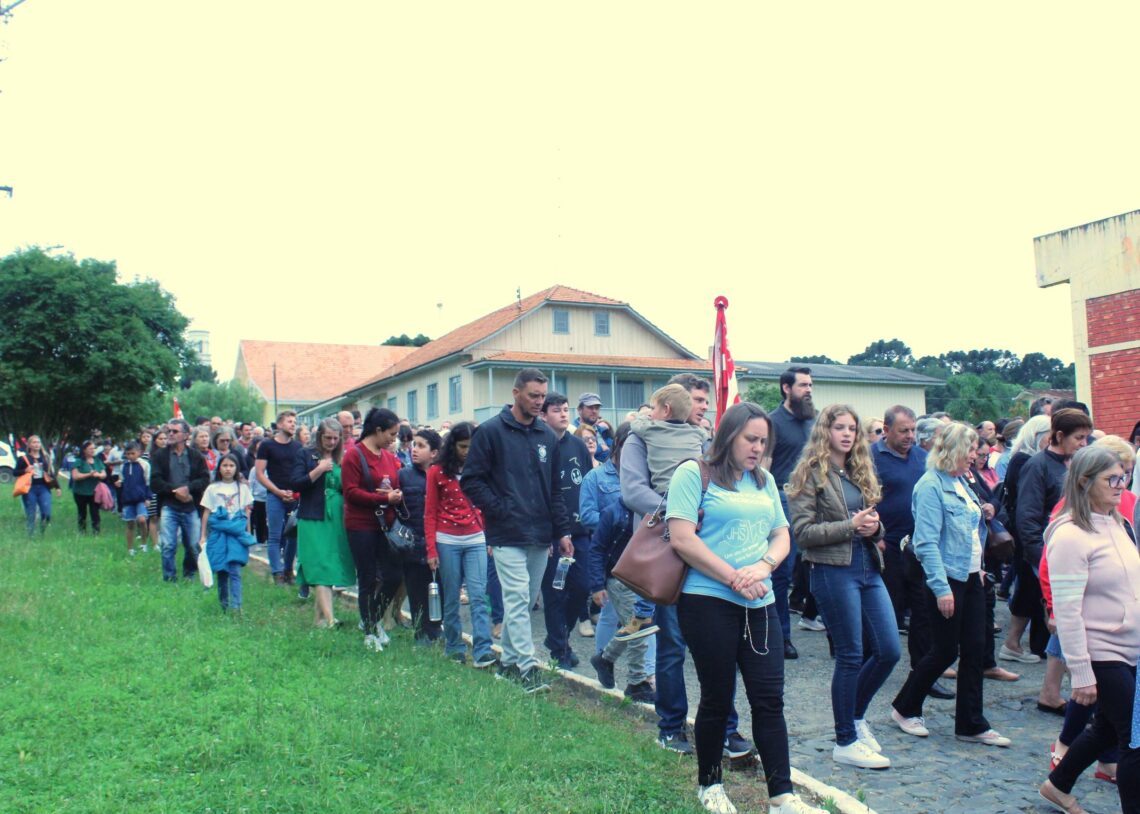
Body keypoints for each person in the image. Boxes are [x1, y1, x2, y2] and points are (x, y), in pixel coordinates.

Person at [668, 402, 824, 814]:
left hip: (760, 603)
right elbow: (682, 538)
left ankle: (782, 796)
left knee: (769, 700)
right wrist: (733, 576)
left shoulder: (765, 480)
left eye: (763, 441)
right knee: (718, 697)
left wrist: (762, 566)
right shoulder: (693, 473)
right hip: (708, 601)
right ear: (728, 436)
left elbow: (782, 535)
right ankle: (710, 785)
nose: (757, 448)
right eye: (750, 439)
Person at [622, 372, 751, 759]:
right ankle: (671, 726)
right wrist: (677, 512)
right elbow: (633, 490)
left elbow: (726, 484)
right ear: (674, 403)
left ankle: (726, 729)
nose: (701, 407)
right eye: (695, 400)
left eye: (703, 401)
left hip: (708, 549)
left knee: (718, 645)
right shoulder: (639, 437)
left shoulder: (704, 441)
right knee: (673, 645)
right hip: (666, 550)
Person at [787, 404, 899, 769]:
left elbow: (874, 524)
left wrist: (874, 527)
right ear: (825, 431)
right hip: (832, 571)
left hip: (868, 567)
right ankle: (845, 740)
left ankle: (856, 718)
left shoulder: (858, 469)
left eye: (852, 427)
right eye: (839, 427)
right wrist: (851, 526)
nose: (848, 434)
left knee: (889, 650)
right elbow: (802, 534)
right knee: (850, 655)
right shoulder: (810, 473)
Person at [891, 423, 1011, 747]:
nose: (976, 455)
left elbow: (972, 532)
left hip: (971, 576)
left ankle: (971, 723)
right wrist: (941, 588)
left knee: (974, 649)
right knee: (944, 651)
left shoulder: (961, 482)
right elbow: (926, 542)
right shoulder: (930, 486)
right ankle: (905, 707)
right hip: (946, 577)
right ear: (955, 450)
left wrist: (980, 568)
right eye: (971, 449)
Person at [1039, 444, 1140, 814]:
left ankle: (1057, 784)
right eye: (1112, 478)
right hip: (1101, 649)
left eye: (1124, 476)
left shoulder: (1117, 521)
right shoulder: (1069, 535)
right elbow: (1066, 611)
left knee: (1108, 729)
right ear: (1084, 481)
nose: (1121, 484)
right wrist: (1081, 673)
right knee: (1135, 739)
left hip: (1131, 647)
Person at [461, 369, 573, 694]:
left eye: (542, 396)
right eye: (533, 396)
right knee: (515, 597)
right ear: (516, 393)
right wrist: (500, 508)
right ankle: (527, 668)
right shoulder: (491, 432)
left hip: (541, 533)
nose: (539, 402)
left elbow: (555, 489)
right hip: (506, 533)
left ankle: (508, 665)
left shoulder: (547, 436)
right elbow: (471, 480)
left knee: (523, 603)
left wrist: (562, 531)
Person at [1014, 408, 1093, 713]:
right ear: (1059, 436)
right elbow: (1028, 519)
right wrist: (1042, 561)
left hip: (1073, 553)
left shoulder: (1075, 462)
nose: (1084, 443)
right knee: (1065, 620)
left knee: (1068, 621)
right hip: (1049, 555)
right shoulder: (1038, 466)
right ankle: (1057, 690)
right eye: (1079, 437)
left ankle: (1056, 689)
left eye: (1087, 437)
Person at [425, 421, 495, 667]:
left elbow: (487, 504)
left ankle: (483, 649)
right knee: (452, 596)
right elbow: (430, 512)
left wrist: (489, 537)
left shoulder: (481, 469)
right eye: (463, 446)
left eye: (471, 447)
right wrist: (431, 550)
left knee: (478, 595)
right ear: (452, 445)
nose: (467, 451)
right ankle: (454, 646)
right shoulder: (436, 471)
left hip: (476, 537)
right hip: (447, 540)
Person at [340, 407, 404, 652]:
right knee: (367, 578)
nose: (393, 439)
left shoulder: (388, 457)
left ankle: (372, 619)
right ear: (377, 430)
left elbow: (395, 483)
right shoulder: (354, 456)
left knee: (393, 575)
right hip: (361, 525)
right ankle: (368, 631)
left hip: (386, 526)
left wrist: (395, 496)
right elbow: (351, 493)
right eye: (391, 433)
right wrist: (383, 499)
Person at [536, 392, 592, 669]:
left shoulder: (578, 446)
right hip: (551, 535)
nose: (563, 414)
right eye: (556, 410)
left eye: (566, 409)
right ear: (543, 415)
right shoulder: (538, 446)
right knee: (555, 592)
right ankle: (560, 649)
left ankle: (560, 636)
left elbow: (587, 482)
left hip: (580, 531)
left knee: (582, 588)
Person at [293, 418, 356, 629]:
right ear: (319, 436)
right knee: (319, 565)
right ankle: (330, 620)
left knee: (329, 566)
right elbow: (296, 484)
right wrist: (318, 469)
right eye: (327, 437)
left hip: (336, 518)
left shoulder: (343, 458)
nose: (330, 442)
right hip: (313, 516)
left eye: (335, 439)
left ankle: (319, 620)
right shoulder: (305, 454)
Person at [397, 428, 444, 645]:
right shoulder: (404, 475)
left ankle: (436, 628)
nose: (414, 450)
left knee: (439, 587)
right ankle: (421, 631)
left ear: (434, 452)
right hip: (413, 541)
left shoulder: (443, 474)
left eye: (421, 446)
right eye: (414, 445)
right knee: (416, 589)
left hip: (439, 541)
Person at [150, 419, 210, 581]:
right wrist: (174, 491)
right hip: (169, 505)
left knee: (192, 545)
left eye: (175, 431)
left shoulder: (195, 456)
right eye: (169, 431)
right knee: (168, 545)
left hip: (191, 506)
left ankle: (189, 574)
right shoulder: (160, 456)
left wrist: (188, 489)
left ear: (185, 435)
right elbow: (155, 482)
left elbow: (205, 479)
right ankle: (169, 578)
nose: (170, 434)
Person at [198, 453, 255, 613]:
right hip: (218, 533)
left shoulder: (242, 488)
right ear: (219, 468)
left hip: (236, 532)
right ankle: (224, 605)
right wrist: (203, 535)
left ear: (236, 468)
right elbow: (207, 513)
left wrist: (247, 534)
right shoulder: (212, 488)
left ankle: (237, 606)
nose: (228, 469)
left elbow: (246, 512)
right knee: (222, 570)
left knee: (235, 569)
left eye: (231, 466)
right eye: (225, 465)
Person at [256, 410, 304, 584]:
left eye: (295, 422)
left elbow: (302, 471)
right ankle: (277, 572)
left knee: (293, 534)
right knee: (275, 535)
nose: (293, 424)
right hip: (275, 496)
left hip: (294, 496)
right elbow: (260, 474)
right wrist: (277, 492)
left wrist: (295, 491)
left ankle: (288, 570)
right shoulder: (267, 446)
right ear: (280, 424)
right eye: (290, 421)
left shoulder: (298, 447)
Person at [14, 435, 59, 536]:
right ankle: (31, 535)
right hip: (29, 488)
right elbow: (15, 472)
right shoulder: (24, 459)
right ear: (29, 445)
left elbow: (50, 473)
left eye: (38, 442)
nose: (36, 444)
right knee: (31, 513)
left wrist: (57, 487)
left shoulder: (45, 458)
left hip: (43, 487)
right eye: (34, 442)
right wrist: (25, 470)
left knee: (46, 513)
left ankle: (42, 531)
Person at [118, 441, 151, 556]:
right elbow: (122, 480)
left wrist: (148, 497)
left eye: (132, 453)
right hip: (128, 498)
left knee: (142, 519)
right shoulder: (124, 466)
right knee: (130, 523)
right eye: (127, 454)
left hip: (141, 497)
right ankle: (130, 548)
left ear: (139, 453)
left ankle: (144, 543)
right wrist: (119, 483)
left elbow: (148, 482)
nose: (130, 456)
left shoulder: (144, 465)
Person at [70, 440, 107, 534]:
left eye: (94, 448)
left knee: (95, 512)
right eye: (90, 448)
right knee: (82, 513)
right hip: (80, 492)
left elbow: (104, 474)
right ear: (84, 450)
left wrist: (98, 475)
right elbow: (75, 476)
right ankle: (82, 531)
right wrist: (88, 475)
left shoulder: (98, 460)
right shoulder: (79, 461)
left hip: (94, 492)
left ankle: (96, 532)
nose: (92, 450)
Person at [574, 392, 615, 463]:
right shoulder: (573, 430)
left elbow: (614, 450)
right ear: (579, 410)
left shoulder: (603, 429)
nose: (594, 411)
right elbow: (575, 452)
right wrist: (600, 448)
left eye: (597, 408)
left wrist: (609, 430)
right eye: (590, 407)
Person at [144, 428, 167, 550]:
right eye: (160, 439)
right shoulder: (147, 456)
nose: (163, 441)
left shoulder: (170, 454)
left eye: (165, 439)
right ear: (155, 441)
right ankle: (154, 543)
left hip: (165, 489)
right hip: (152, 489)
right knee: (153, 516)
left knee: (165, 516)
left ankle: (164, 539)